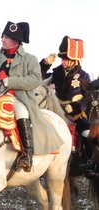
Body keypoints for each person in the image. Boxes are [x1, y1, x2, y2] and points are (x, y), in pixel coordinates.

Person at [0, 18, 64, 172]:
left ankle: (27, 155)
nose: (2, 39)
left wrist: (10, 81)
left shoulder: (30, 59)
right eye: (3, 36)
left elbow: (35, 80)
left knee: (21, 113)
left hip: (16, 99)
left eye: (6, 37)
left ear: (16, 41)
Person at [40, 36, 94, 171]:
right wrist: (44, 65)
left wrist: (76, 107)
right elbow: (39, 79)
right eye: (62, 59)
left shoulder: (83, 75)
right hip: (56, 108)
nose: (63, 62)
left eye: (66, 59)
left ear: (74, 60)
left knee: (87, 132)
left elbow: (88, 97)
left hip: (75, 113)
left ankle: (90, 161)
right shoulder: (56, 72)